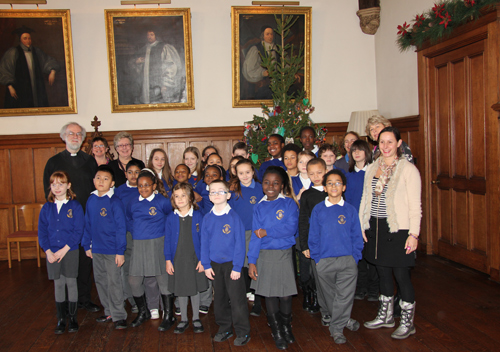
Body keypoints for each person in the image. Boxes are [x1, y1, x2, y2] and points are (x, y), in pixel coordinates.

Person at [360, 127, 421, 340]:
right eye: (382, 142)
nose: (385, 146)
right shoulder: (372, 167)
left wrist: (414, 235)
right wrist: (362, 225)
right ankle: (385, 316)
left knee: (401, 276)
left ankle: (407, 321)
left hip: (398, 229)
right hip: (375, 228)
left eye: (390, 142)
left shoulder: (407, 169)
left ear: (398, 144)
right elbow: (365, 199)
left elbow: (415, 205)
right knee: (382, 272)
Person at [43, 122, 100, 313]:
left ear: (83, 139)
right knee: (65, 260)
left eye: (78, 134)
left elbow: (96, 189)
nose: (75, 136)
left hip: (86, 218)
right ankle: (65, 301)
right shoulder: (53, 162)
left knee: (85, 260)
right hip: (64, 222)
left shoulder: (90, 161)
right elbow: (48, 192)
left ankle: (83, 298)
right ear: (63, 136)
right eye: (71, 133)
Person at [308, 169, 363, 344]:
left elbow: (356, 236)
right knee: (331, 295)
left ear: (344, 187)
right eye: (330, 183)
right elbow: (313, 236)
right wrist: (317, 258)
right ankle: (344, 319)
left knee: (345, 295)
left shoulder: (350, 210)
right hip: (325, 260)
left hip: (347, 260)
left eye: (337, 182)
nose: (333, 186)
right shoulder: (318, 210)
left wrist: (355, 257)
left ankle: (337, 328)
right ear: (324, 187)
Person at [248, 166, 299, 350]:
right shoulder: (259, 207)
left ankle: (286, 326)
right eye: (267, 182)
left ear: (282, 185)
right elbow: (255, 235)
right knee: (269, 294)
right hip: (264, 256)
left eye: (275, 183)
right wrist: (252, 261)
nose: (271, 186)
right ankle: (276, 330)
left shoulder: (289, 204)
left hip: (284, 255)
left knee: (285, 296)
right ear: (262, 184)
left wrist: (267, 231)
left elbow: (290, 229)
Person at [201, 180, 251, 346]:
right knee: (220, 298)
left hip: (232, 265)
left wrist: (237, 267)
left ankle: (243, 331)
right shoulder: (207, 218)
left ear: (228, 195)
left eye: (220, 191)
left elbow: (239, 244)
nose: (216, 194)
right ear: (209, 196)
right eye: (212, 192)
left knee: (237, 299)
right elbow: (204, 243)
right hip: (215, 265)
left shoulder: (234, 218)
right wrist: (206, 265)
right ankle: (224, 327)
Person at [126, 169, 175, 331]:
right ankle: (143, 311)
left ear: (154, 186)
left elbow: (171, 216)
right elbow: (129, 220)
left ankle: (169, 315)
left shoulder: (162, 201)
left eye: (147, 185)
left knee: (163, 281)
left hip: (158, 244)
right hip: (139, 245)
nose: (143, 188)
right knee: (134, 281)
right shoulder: (133, 203)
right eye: (140, 186)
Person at [81, 165, 127, 330]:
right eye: (98, 178)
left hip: (112, 250)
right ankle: (108, 310)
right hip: (96, 249)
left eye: (106, 179)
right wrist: (87, 244)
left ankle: (119, 315)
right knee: (100, 280)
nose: (101, 181)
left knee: (114, 282)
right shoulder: (91, 199)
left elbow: (121, 228)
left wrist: (120, 251)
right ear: (93, 180)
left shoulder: (114, 202)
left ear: (112, 183)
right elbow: (87, 224)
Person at [38, 171, 84, 334]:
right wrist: (49, 252)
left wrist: (64, 250)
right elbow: (42, 232)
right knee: (58, 283)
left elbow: (78, 231)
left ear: (68, 186)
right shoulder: (47, 208)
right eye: (54, 184)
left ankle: (72, 318)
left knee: (71, 282)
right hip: (52, 252)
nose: (57, 187)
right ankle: (61, 319)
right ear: (50, 186)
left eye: (61, 184)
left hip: (69, 251)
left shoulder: (75, 206)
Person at [164, 182, 208, 334]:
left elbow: (204, 239)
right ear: (173, 199)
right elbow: (168, 240)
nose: (180, 199)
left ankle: (195, 318)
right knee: (181, 288)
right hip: (178, 259)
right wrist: (168, 260)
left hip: (194, 259)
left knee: (194, 288)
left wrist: (203, 259)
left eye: (183, 195)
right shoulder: (171, 218)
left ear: (190, 197)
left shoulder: (198, 216)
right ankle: (183, 319)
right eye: (176, 196)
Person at [228, 159, 264, 316]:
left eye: (248, 172)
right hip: (241, 234)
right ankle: (241, 297)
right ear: (236, 173)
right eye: (241, 173)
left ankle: (258, 299)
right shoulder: (234, 191)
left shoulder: (261, 188)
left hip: (257, 233)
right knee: (242, 265)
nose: (245, 176)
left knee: (257, 265)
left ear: (253, 172)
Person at [344, 140, 377, 302]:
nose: (356, 153)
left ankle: (373, 289)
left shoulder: (373, 173)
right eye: (353, 150)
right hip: (354, 222)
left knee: (372, 256)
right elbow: (347, 200)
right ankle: (361, 287)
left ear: (366, 152)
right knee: (359, 257)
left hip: (371, 221)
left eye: (360, 150)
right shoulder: (348, 176)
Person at [0, 26, 61, 108]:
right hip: (19, 88)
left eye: (29, 38)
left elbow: (49, 61)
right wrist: (10, 86)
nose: (28, 41)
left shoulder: (37, 51)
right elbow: (5, 69)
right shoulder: (13, 52)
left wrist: (52, 71)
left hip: (35, 87)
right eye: (25, 38)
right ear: (20, 40)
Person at [298, 158, 328, 322]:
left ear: (325, 171)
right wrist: (304, 244)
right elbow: (302, 220)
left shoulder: (331, 191)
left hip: (327, 240)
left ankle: (318, 296)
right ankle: (307, 293)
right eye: (312, 174)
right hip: (310, 238)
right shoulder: (307, 195)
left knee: (321, 271)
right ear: (307, 174)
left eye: (319, 173)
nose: (316, 176)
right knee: (307, 272)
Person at [114, 160, 143, 314]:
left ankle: (145, 298)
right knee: (127, 268)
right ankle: (132, 300)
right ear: (125, 174)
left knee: (141, 268)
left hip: (142, 234)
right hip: (126, 234)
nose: (133, 175)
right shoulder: (119, 191)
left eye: (136, 172)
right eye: (130, 172)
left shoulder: (144, 188)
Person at [130, 29, 185, 104]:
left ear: (156, 36)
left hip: (160, 85)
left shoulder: (164, 47)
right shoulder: (144, 49)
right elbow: (134, 66)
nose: (149, 37)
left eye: (151, 35)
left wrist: (165, 84)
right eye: (148, 35)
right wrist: (137, 62)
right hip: (146, 85)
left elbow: (171, 67)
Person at [242, 25, 277, 100]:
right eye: (267, 34)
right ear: (262, 36)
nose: (270, 36)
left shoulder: (277, 49)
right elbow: (250, 69)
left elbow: (285, 64)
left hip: (278, 82)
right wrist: (262, 73)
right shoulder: (255, 49)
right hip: (263, 83)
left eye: (271, 34)